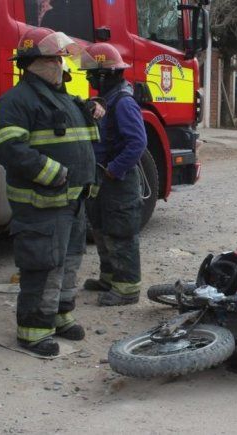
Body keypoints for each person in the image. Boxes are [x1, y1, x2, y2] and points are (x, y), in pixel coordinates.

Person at [0, 27, 100, 356]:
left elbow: (80, 129)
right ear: (34, 63)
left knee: (68, 262)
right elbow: (9, 148)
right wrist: (55, 174)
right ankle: (33, 331)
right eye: (55, 59)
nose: (61, 64)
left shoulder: (61, 96)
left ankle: (60, 317)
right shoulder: (16, 101)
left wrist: (91, 107)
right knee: (43, 264)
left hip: (73, 199)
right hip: (44, 201)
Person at [80, 43, 147, 306]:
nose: (89, 79)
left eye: (92, 74)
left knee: (121, 233)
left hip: (117, 180)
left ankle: (127, 289)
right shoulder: (107, 100)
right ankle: (109, 279)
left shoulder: (123, 102)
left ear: (105, 74)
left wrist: (114, 170)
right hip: (103, 178)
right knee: (102, 228)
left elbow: (137, 143)